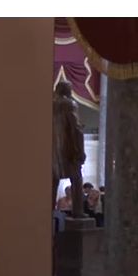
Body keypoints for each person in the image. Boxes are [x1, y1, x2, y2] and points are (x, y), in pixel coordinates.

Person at [51, 81, 86, 218]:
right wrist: (80, 150)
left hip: (53, 151)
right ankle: (78, 211)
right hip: (69, 149)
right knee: (76, 179)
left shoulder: (49, 104)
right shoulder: (69, 104)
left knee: (53, 182)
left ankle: (49, 212)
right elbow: (76, 129)